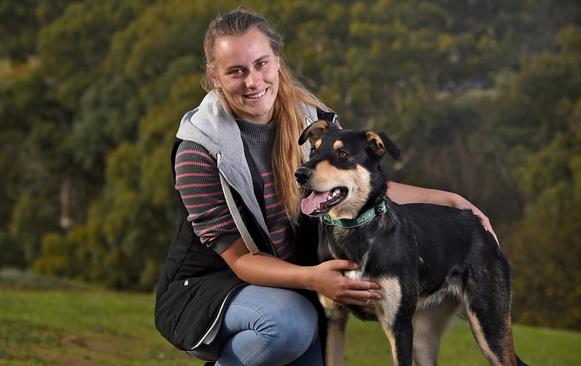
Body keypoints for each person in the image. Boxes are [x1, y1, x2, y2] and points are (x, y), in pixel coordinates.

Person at [154, 7, 498, 366]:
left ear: (278, 62)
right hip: (212, 288)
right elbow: (240, 260)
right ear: (215, 76)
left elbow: (359, 189)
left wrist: (450, 200)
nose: (253, 82)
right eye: (236, 71)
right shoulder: (198, 151)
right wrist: (313, 278)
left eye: (261, 64)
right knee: (288, 326)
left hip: (296, 288)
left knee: (299, 328)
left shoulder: (314, 125)